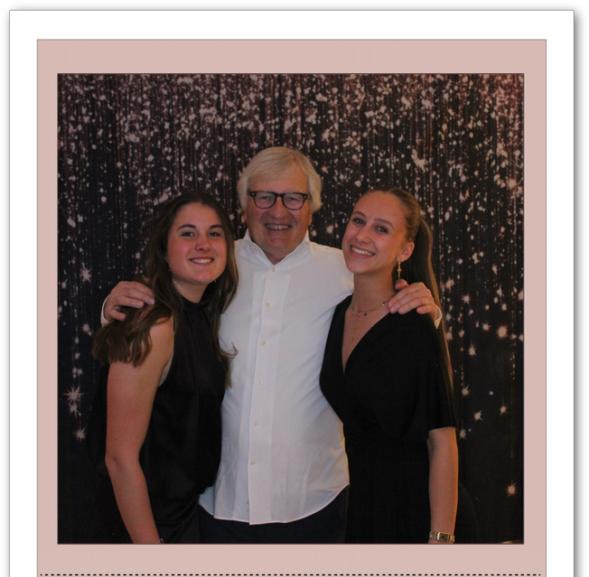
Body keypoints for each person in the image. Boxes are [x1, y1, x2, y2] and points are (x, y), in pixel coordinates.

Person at [103, 148, 439, 543]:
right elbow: (162, 307)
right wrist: (111, 308)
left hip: (317, 502)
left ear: (312, 207)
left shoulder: (348, 271)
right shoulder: (213, 264)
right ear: (244, 205)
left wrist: (426, 310)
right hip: (216, 505)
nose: (278, 211)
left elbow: (395, 333)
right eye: (263, 196)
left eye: (294, 198)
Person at [91, 191, 238, 543]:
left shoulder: (200, 315)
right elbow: (119, 459)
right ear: (163, 249)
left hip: (183, 516)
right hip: (145, 527)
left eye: (214, 233)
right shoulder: (155, 324)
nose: (203, 244)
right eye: (188, 233)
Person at [320, 188, 458, 543]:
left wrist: (440, 539)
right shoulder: (338, 314)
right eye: (358, 221)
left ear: (405, 250)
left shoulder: (414, 325)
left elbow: (442, 441)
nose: (362, 235)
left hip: (413, 514)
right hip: (358, 510)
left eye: (381, 229)